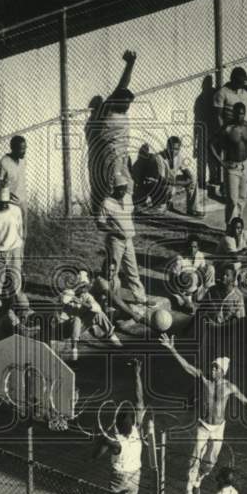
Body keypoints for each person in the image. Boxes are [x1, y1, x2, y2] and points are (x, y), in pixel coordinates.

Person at [158, 334, 247, 494]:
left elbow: (246, 403)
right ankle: (188, 493)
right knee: (195, 458)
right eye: (212, 366)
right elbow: (186, 367)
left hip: (218, 429)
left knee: (210, 462)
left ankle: (198, 480)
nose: (213, 369)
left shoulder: (229, 387)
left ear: (222, 371)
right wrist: (172, 348)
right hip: (203, 426)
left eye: (216, 367)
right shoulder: (204, 378)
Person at [88, 50, 139, 211]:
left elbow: (124, 88)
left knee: (128, 185)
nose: (127, 106)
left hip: (120, 154)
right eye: (125, 103)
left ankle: (122, 213)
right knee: (111, 188)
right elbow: (122, 85)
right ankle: (105, 215)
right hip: (109, 156)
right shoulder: (106, 111)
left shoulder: (117, 111)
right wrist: (130, 64)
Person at [93, 359, 147, 494]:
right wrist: (137, 374)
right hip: (135, 476)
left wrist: (103, 437)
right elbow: (139, 399)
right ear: (132, 422)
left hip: (119, 477)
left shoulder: (114, 442)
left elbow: (96, 455)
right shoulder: (138, 430)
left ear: (116, 422)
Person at [96, 176, 148, 305]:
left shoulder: (128, 198)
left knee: (133, 270)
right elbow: (100, 223)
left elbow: (131, 214)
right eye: (120, 189)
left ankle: (141, 299)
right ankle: (112, 301)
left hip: (128, 241)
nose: (122, 192)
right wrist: (115, 231)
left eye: (124, 189)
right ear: (114, 188)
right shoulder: (106, 203)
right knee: (113, 273)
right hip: (115, 242)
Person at [209, 103, 247, 228]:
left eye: (242, 113)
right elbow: (211, 144)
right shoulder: (227, 128)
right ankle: (230, 226)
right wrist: (221, 162)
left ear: (244, 113)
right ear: (233, 113)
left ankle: (238, 226)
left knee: (242, 198)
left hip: (245, 165)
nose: (240, 116)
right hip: (231, 167)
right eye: (237, 113)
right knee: (232, 200)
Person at [59, 270, 122, 360]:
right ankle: (74, 353)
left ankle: (114, 338)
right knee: (76, 319)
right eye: (82, 286)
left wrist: (81, 302)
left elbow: (97, 308)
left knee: (98, 314)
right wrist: (76, 290)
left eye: (85, 286)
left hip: (78, 329)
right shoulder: (68, 292)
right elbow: (64, 300)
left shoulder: (87, 296)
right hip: (64, 328)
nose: (85, 288)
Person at [168, 233, 215, 314]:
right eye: (190, 246)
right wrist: (183, 297)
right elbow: (172, 279)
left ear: (198, 248)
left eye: (195, 247)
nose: (192, 249)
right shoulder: (180, 259)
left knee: (210, 268)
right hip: (183, 290)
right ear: (187, 247)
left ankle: (208, 294)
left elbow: (203, 270)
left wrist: (202, 278)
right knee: (192, 275)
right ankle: (189, 302)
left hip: (196, 287)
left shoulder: (200, 255)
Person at [156, 135, 202, 216]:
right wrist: (182, 183)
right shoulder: (159, 157)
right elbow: (162, 179)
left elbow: (186, 171)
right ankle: (161, 206)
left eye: (176, 149)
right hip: (157, 183)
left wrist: (189, 178)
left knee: (193, 179)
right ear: (167, 147)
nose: (174, 151)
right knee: (169, 189)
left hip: (171, 180)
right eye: (171, 148)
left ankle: (192, 208)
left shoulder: (179, 156)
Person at [0, 135, 28, 229]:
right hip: (10, 205)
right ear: (13, 148)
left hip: (23, 202)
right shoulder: (3, 163)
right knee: (11, 232)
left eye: (25, 148)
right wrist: (6, 198)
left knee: (23, 231)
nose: (24, 151)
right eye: (21, 149)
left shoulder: (22, 160)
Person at [130, 143, 164, 210]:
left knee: (159, 186)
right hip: (141, 186)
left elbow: (158, 177)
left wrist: (152, 179)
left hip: (150, 184)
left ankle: (157, 204)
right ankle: (140, 203)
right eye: (142, 153)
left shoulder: (153, 161)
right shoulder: (137, 164)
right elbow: (136, 180)